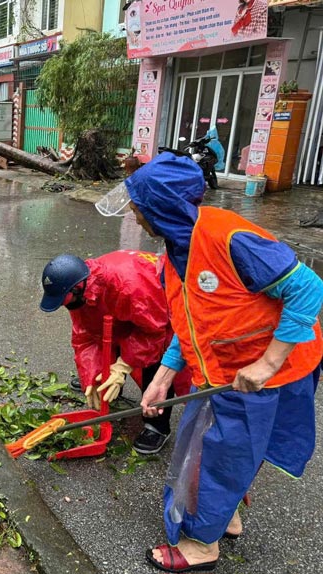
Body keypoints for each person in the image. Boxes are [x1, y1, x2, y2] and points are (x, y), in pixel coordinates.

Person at [96, 152, 323, 572]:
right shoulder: (172, 255)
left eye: (137, 204)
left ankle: (202, 546)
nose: (133, 213)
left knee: (217, 455)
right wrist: (162, 378)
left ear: (160, 207)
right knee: (221, 450)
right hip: (224, 371)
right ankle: (223, 516)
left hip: (265, 374)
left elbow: (308, 290)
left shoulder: (229, 239)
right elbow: (192, 324)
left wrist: (267, 365)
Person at [40, 252, 193, 454]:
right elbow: (85, 335)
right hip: (129, 310)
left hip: (157, 312)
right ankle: (110, 386)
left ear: (78, 288)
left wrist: (121, 367)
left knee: (156, 365)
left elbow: (154, 331)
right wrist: (93, 378)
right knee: (109, 335)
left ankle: (156, 425)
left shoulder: (129, 285)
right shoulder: (79, 292)